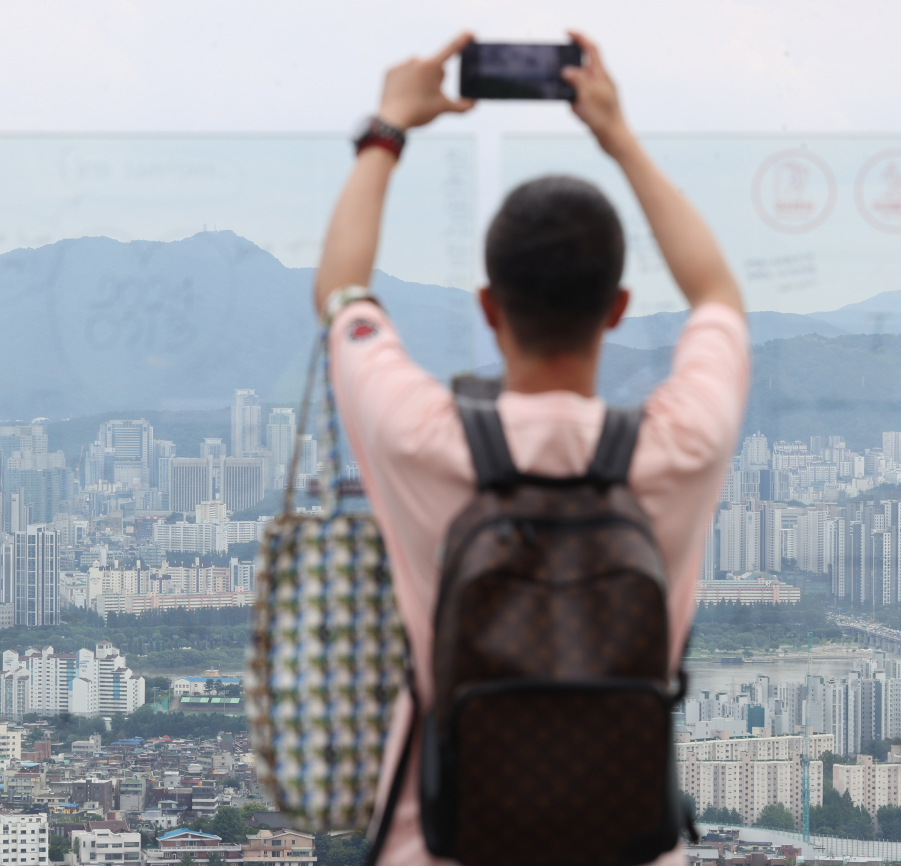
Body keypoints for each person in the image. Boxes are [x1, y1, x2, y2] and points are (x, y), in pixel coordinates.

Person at [312, 31, 749, 866]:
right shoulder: (681, 446)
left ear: (487, 305)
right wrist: (617, 134)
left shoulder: (420, 436)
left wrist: (388, 129)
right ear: (618, 308)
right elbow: (717, 294)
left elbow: (341, 293)